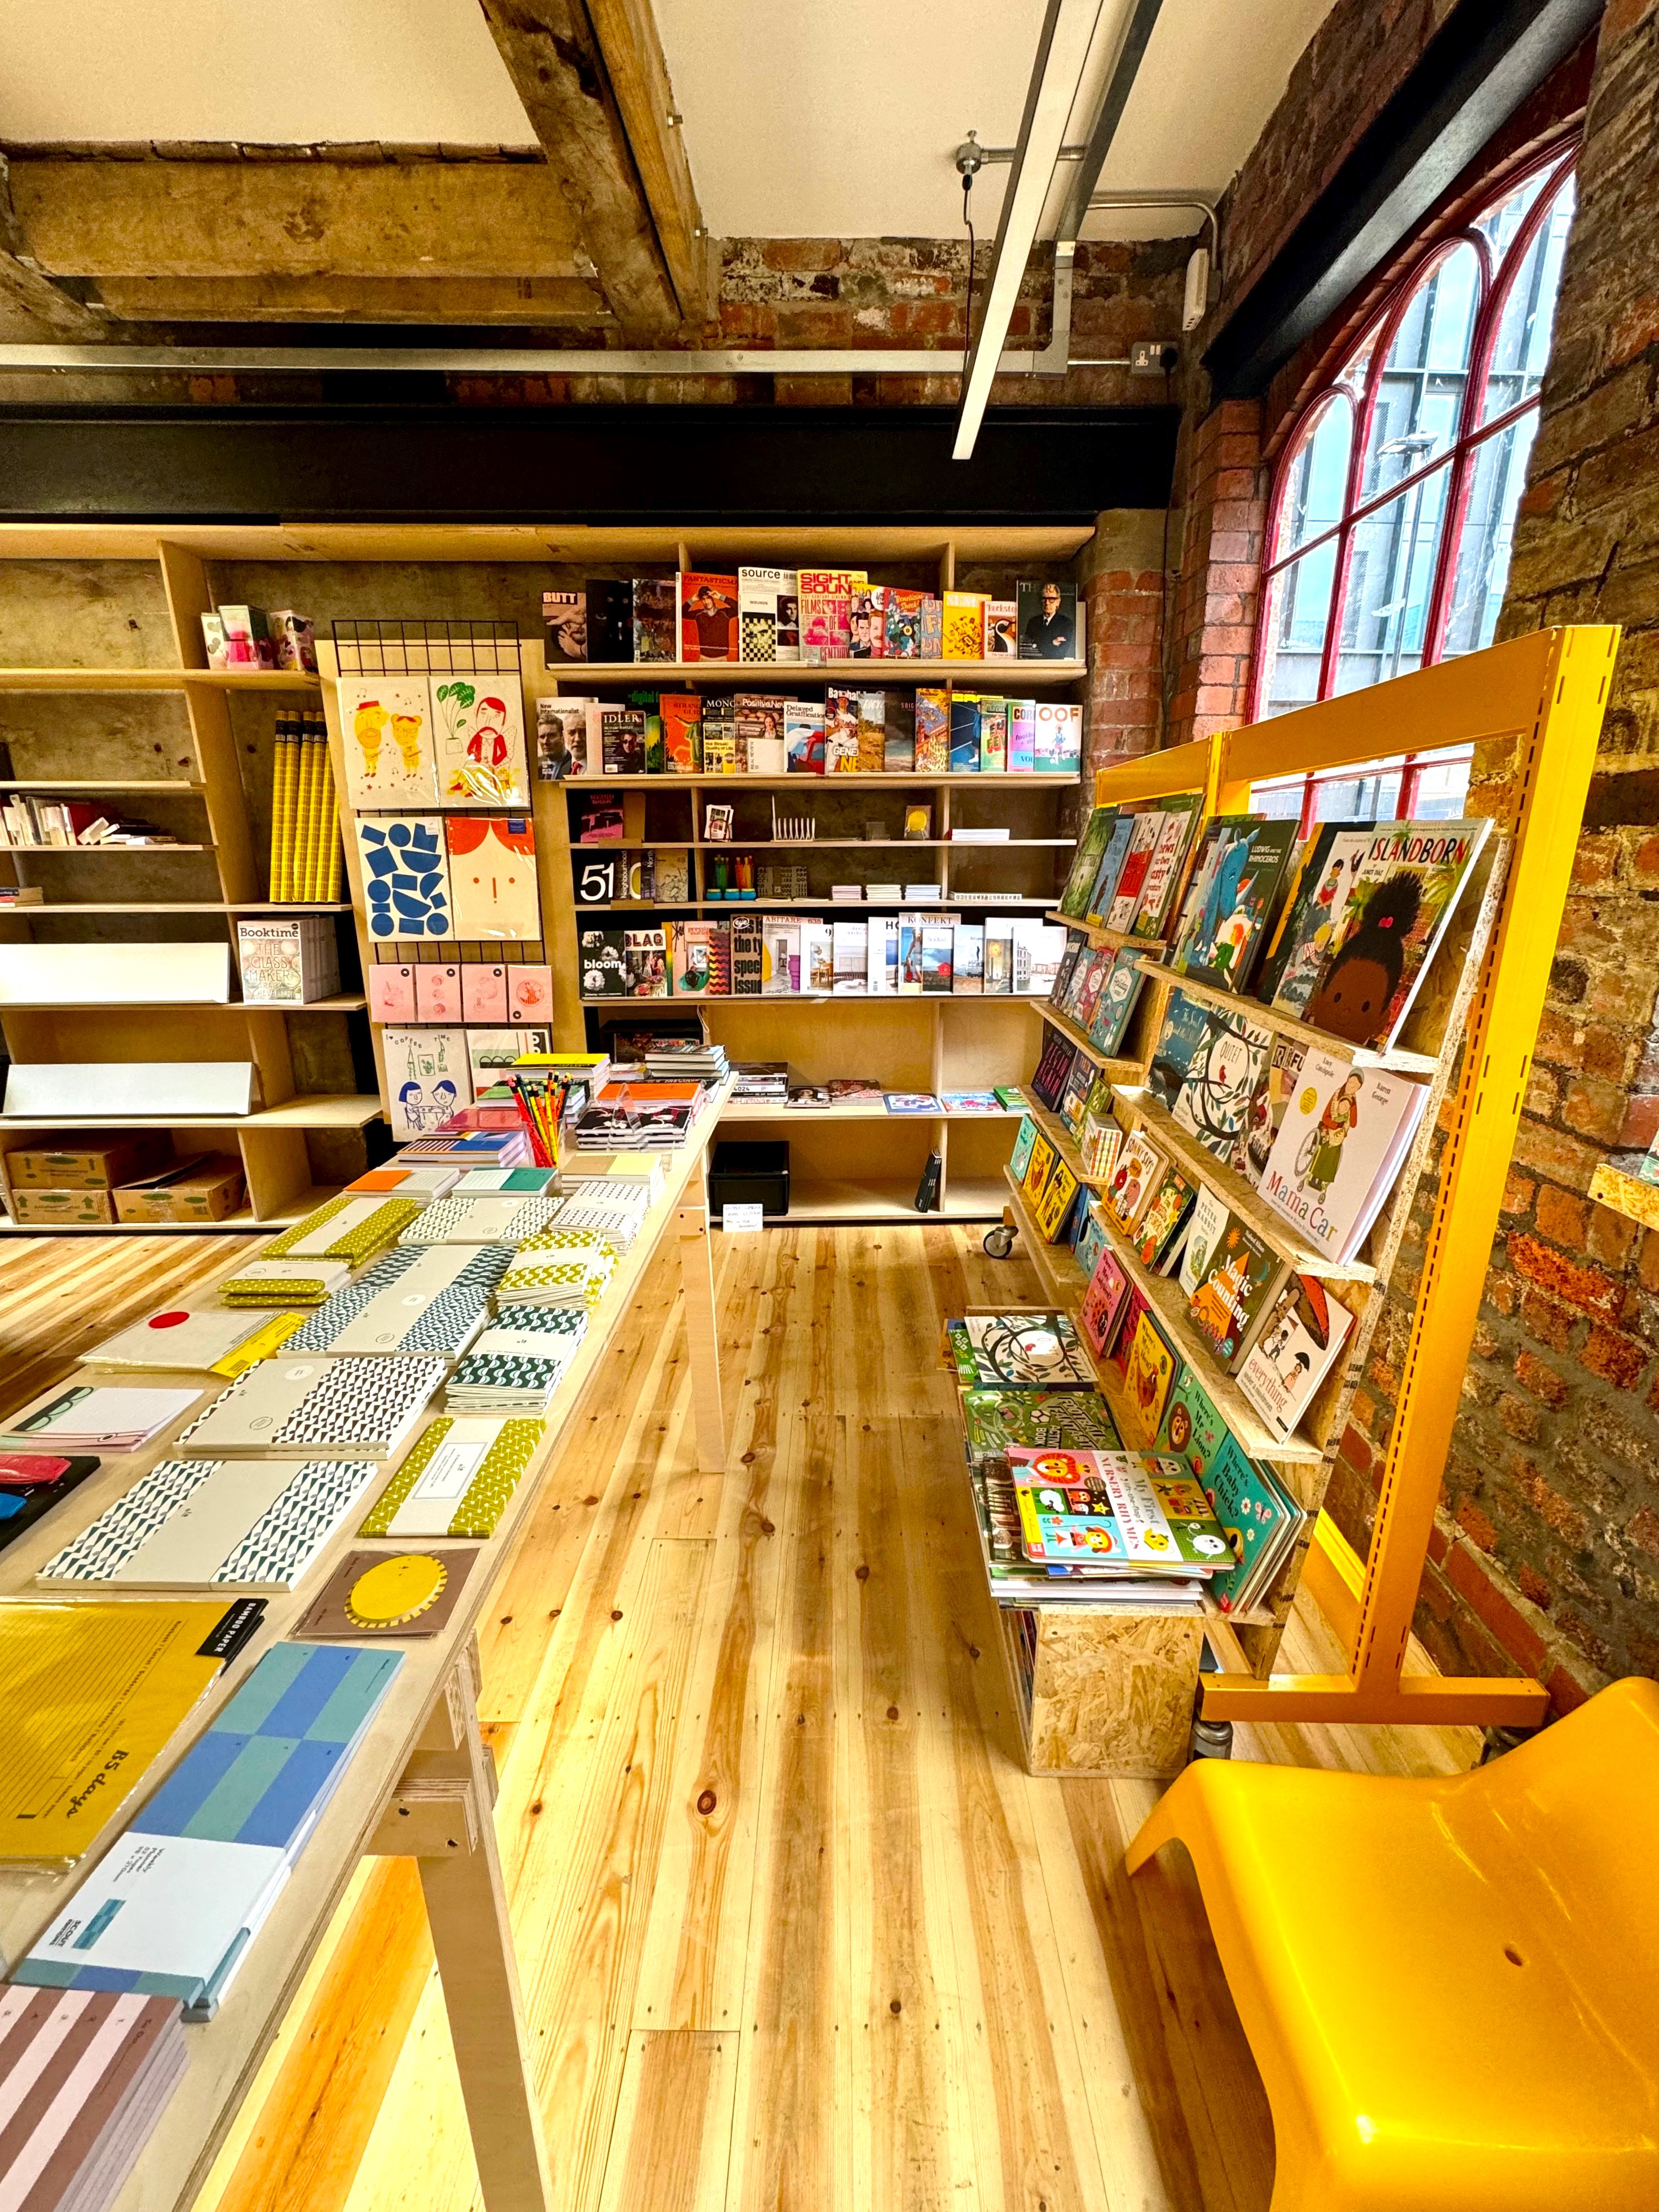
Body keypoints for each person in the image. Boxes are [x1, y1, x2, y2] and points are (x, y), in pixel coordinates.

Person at [1022, 580, 1076, 658]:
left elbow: (1060, 653)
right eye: (1044, 599)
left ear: (1058, 602)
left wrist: (1037, 644)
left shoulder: (1065, 623)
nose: (1047, 603)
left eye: (1051, 599)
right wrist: (1052, 643)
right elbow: (1027, 652)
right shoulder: (1033, 622)